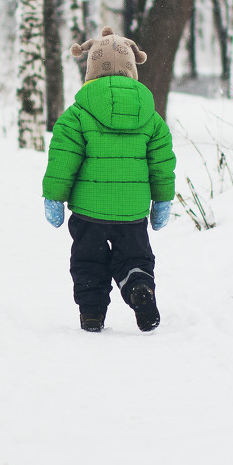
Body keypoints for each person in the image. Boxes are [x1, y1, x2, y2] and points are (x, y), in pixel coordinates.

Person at [41, 27, 177, 333]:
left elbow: (63, 158)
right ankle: (138, 285)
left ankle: (92, 313)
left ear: (91, 71)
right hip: (132, 212)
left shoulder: (77, 114)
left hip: (89, 212)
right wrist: (162, 199)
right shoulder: (151, 117)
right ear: (132, 67)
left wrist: (54, 196)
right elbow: (161, 163)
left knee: (88, 260)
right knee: (135, 256)